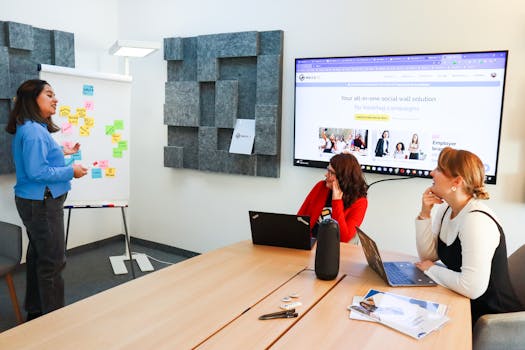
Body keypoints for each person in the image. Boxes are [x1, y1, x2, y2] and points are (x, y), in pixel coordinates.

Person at [5, 79, 88, 320]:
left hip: (35, 202)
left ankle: (36, 312)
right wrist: (71, 170)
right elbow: (38, 172)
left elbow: (39, 158)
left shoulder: (32, 127)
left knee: (38, 257)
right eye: (49, 94)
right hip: (42, 203)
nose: (56, 99)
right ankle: (53, 323)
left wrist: (63, 152)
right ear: (33, 99)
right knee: (53, 262)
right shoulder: (33, 132)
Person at [414, 147, 523, 325]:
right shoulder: (447, 209)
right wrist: (425, 213)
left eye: (439, 170)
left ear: (456, 181)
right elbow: (428, 257)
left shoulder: (476, 221)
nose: (431, 173)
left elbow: (471, 287)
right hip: (463, 302)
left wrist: (431, 270)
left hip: (491, 321)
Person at [298, 153, 368, 242]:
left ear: (343, 177)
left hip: (334, 248)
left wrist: (337, 201)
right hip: (310, 243)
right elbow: (300, 218)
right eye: (328, 170)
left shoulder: (360, 202)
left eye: (331, 172)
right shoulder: (320, 187)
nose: (326, 175)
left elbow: (344, 238)